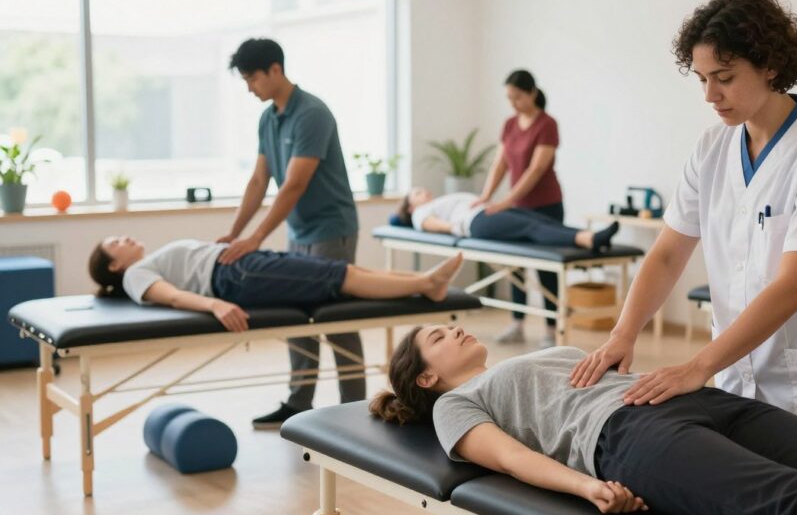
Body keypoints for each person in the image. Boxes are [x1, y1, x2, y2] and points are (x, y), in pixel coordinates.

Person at [570, 0, 797, 455]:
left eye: (724, 77)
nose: (710, 96)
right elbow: (667, 253)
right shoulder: (712, 148)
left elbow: (795, 287)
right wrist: (623, 334)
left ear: (771, 66)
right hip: (737, 382)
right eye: (701, 79)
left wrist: (696, 367)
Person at [369, 325, 797, 515]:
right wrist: (585, 488)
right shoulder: (458, 405)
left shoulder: (519, 358)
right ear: (425, 377)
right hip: (627, 438)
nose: (453, 329)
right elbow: (510, 459)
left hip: (689, 399)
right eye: (435, 337)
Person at [222, 38, 363, 429]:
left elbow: (294, 185)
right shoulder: (268, 119)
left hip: (331, 228)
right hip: (299, 231)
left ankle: (357, 406)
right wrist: (235, 233)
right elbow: (258, 181)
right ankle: (299, 402)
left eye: (252, 79)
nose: (250, 88)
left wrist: (257, 238)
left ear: (275, 70)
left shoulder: (312, 114)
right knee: (298, 317)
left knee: (336, 318)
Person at [87, 236, 462, 330]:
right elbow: (170, 296)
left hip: (240, 264)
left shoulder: (144, 263)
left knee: (345, 271)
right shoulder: (136, 276)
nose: (125, 238)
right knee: (343, 277)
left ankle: (425, 281)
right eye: (116, 243)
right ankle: (427, 283)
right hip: (235, 277)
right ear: (116, 266)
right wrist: (215, 305)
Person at [476, 70, 565, 346]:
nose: (513, 103)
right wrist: (486, 195)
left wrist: (506, 202)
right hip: (517, 207)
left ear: (532, 94)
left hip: (545, 206)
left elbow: (537, 169)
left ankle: (551, 330)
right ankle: (517, 324)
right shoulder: (510, 124)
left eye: (517, 97)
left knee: (546, 269)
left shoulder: (547, 124)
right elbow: (500, 163)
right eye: (509, 98)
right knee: (514, 266)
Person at [397, 187, 620, 252]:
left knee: (539, 219)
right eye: (417, 193)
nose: (424, 191)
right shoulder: (419, 213)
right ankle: (587, 240)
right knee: (531, 226)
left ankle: (592, 236)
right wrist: (455, 227)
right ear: (410, 206)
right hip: (475, 222)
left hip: (487, 211)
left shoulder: (436, 202)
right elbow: (431, 225)